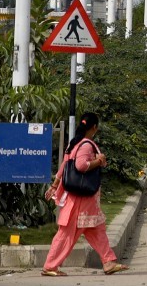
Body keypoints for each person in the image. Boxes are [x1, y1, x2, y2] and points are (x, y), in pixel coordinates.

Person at [42, 113, 129, 277]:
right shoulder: (87, 145)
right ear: (94, 127)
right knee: (67, 233)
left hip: (83, 199)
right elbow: (81, 166)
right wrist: (99, 160)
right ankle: (50, 266)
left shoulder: (74, 143)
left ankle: (108, 262)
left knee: (97, 229)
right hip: (80, 200)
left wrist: (55, 186)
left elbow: (64, 166)